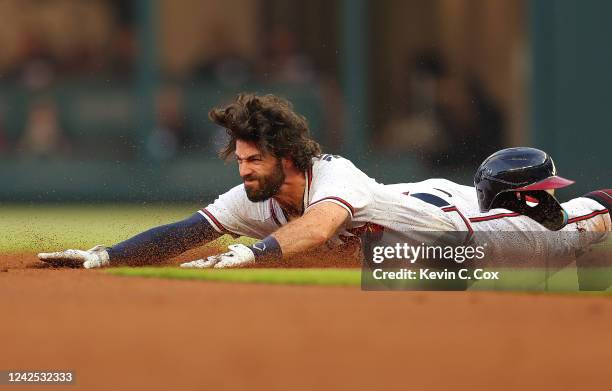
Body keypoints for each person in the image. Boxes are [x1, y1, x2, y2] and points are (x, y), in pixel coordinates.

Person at [37, 94, 611, 269]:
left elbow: (320, 226)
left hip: (467, 230)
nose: (243, 170)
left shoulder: (333, 175)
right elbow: (188, 232)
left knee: (575, 227)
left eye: (254, 159)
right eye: (239, 159)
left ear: (287, 155)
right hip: (411, 236)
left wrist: (251, 254)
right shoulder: (253, 197)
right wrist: (106, 256)